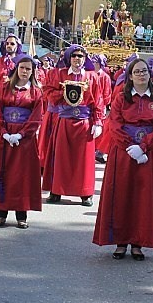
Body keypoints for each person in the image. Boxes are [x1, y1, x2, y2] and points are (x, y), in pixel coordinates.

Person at [93, 58, 153, 260]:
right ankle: (121, 241)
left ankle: (138, 242)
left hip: (148, 154)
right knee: (122, 195)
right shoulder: (121, 98)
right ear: (130, 75)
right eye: (137, 71)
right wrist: (129, 146)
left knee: (143, 198)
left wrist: (144, 147)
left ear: (149, 74)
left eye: (144, 71)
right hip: (124, 153)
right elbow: (115, 124)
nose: (141, 75)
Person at [42, 45, 104, 206]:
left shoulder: (92, 77)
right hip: (64, 120)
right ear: (69, 58)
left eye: (81, 56)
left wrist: (98, 122)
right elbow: (48, 92)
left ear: (85, 59)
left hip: (84, 121)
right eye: (74, 56)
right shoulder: (58, 74)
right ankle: (56, 191)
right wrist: (62, 93)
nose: (77, 59)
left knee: (84, 160)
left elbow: (98, 100)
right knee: (61, 157)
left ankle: (85, 193)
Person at [0, 54, 43, 229]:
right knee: (3, 173)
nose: (25, 71)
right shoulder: (4, 88)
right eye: (22, 68)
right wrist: (4, 132)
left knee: (23, 176)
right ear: (16, 68)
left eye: (29, 69)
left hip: (25, 140)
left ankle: (22, 214)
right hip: (4, 138)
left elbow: (36, 118)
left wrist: (22, 134)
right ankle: (1, 213)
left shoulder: (36, 92)